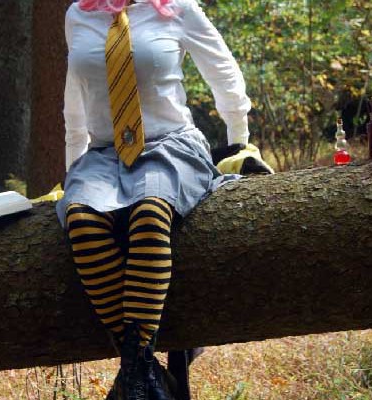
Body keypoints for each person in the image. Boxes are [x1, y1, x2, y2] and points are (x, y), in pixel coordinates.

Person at [55, 0, 272, 398]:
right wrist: (73, 169)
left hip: (172, 145)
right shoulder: (78, 14)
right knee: (81, 219)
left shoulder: (177, 8)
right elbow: (75, 97)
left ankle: (136, 378)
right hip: (103, 156)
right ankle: (144, 372)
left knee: (151, 211)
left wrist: (238, 144)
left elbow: (223, 71)